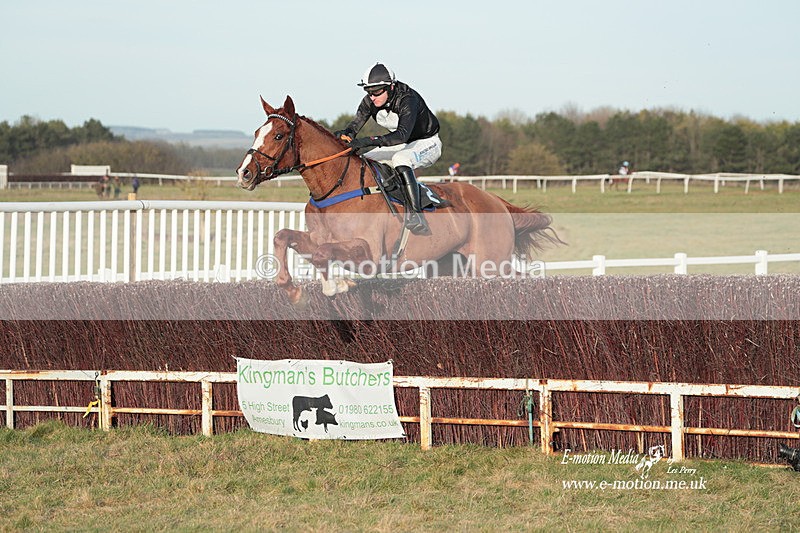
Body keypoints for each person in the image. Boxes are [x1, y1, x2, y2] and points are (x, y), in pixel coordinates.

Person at [334, 63, 442, 235]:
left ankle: (416, 215)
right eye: (369, 92)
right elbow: (354, 127)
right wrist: (345, 135)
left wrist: (368, 140)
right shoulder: (369, 101)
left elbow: (401, 135)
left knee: (401, 159)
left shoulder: (408, 99)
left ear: (391, 87)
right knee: (366, 160)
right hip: (403, 144)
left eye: (377, 92)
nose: (372, 97)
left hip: (427, 142)